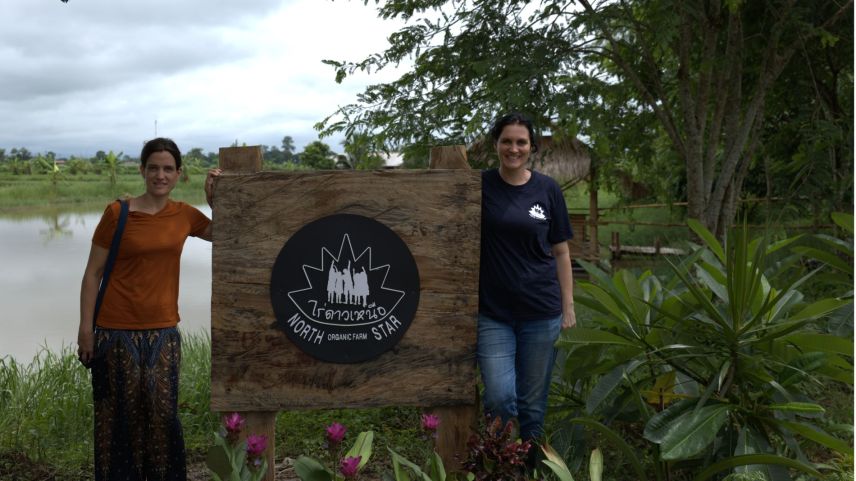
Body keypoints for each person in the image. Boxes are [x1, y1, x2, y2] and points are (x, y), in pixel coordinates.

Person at [77, 137, 221, 480]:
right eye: (153, 168)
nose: (160, 175)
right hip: (114, 333)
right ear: (142, 170)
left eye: (168, 169)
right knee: (119, 419)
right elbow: (92, 273)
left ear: (178, 174)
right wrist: (86, 330)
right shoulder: (118, 213)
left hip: (163, 334)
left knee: (162, 416)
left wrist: (216, 198)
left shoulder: (184, 215)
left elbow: (225, 233)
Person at [477, 112, 577, 446]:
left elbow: (561, 252)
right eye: (507, 141)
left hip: (541, 313)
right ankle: (501, 464)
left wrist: (569, 306)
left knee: (533, 407)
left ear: (532, 147)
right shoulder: (480, 186)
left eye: (521, 142)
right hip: (493, 314)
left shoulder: (547, 189)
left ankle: (529, 467)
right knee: (500, 398)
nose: (514, 148)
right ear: (496, 145)